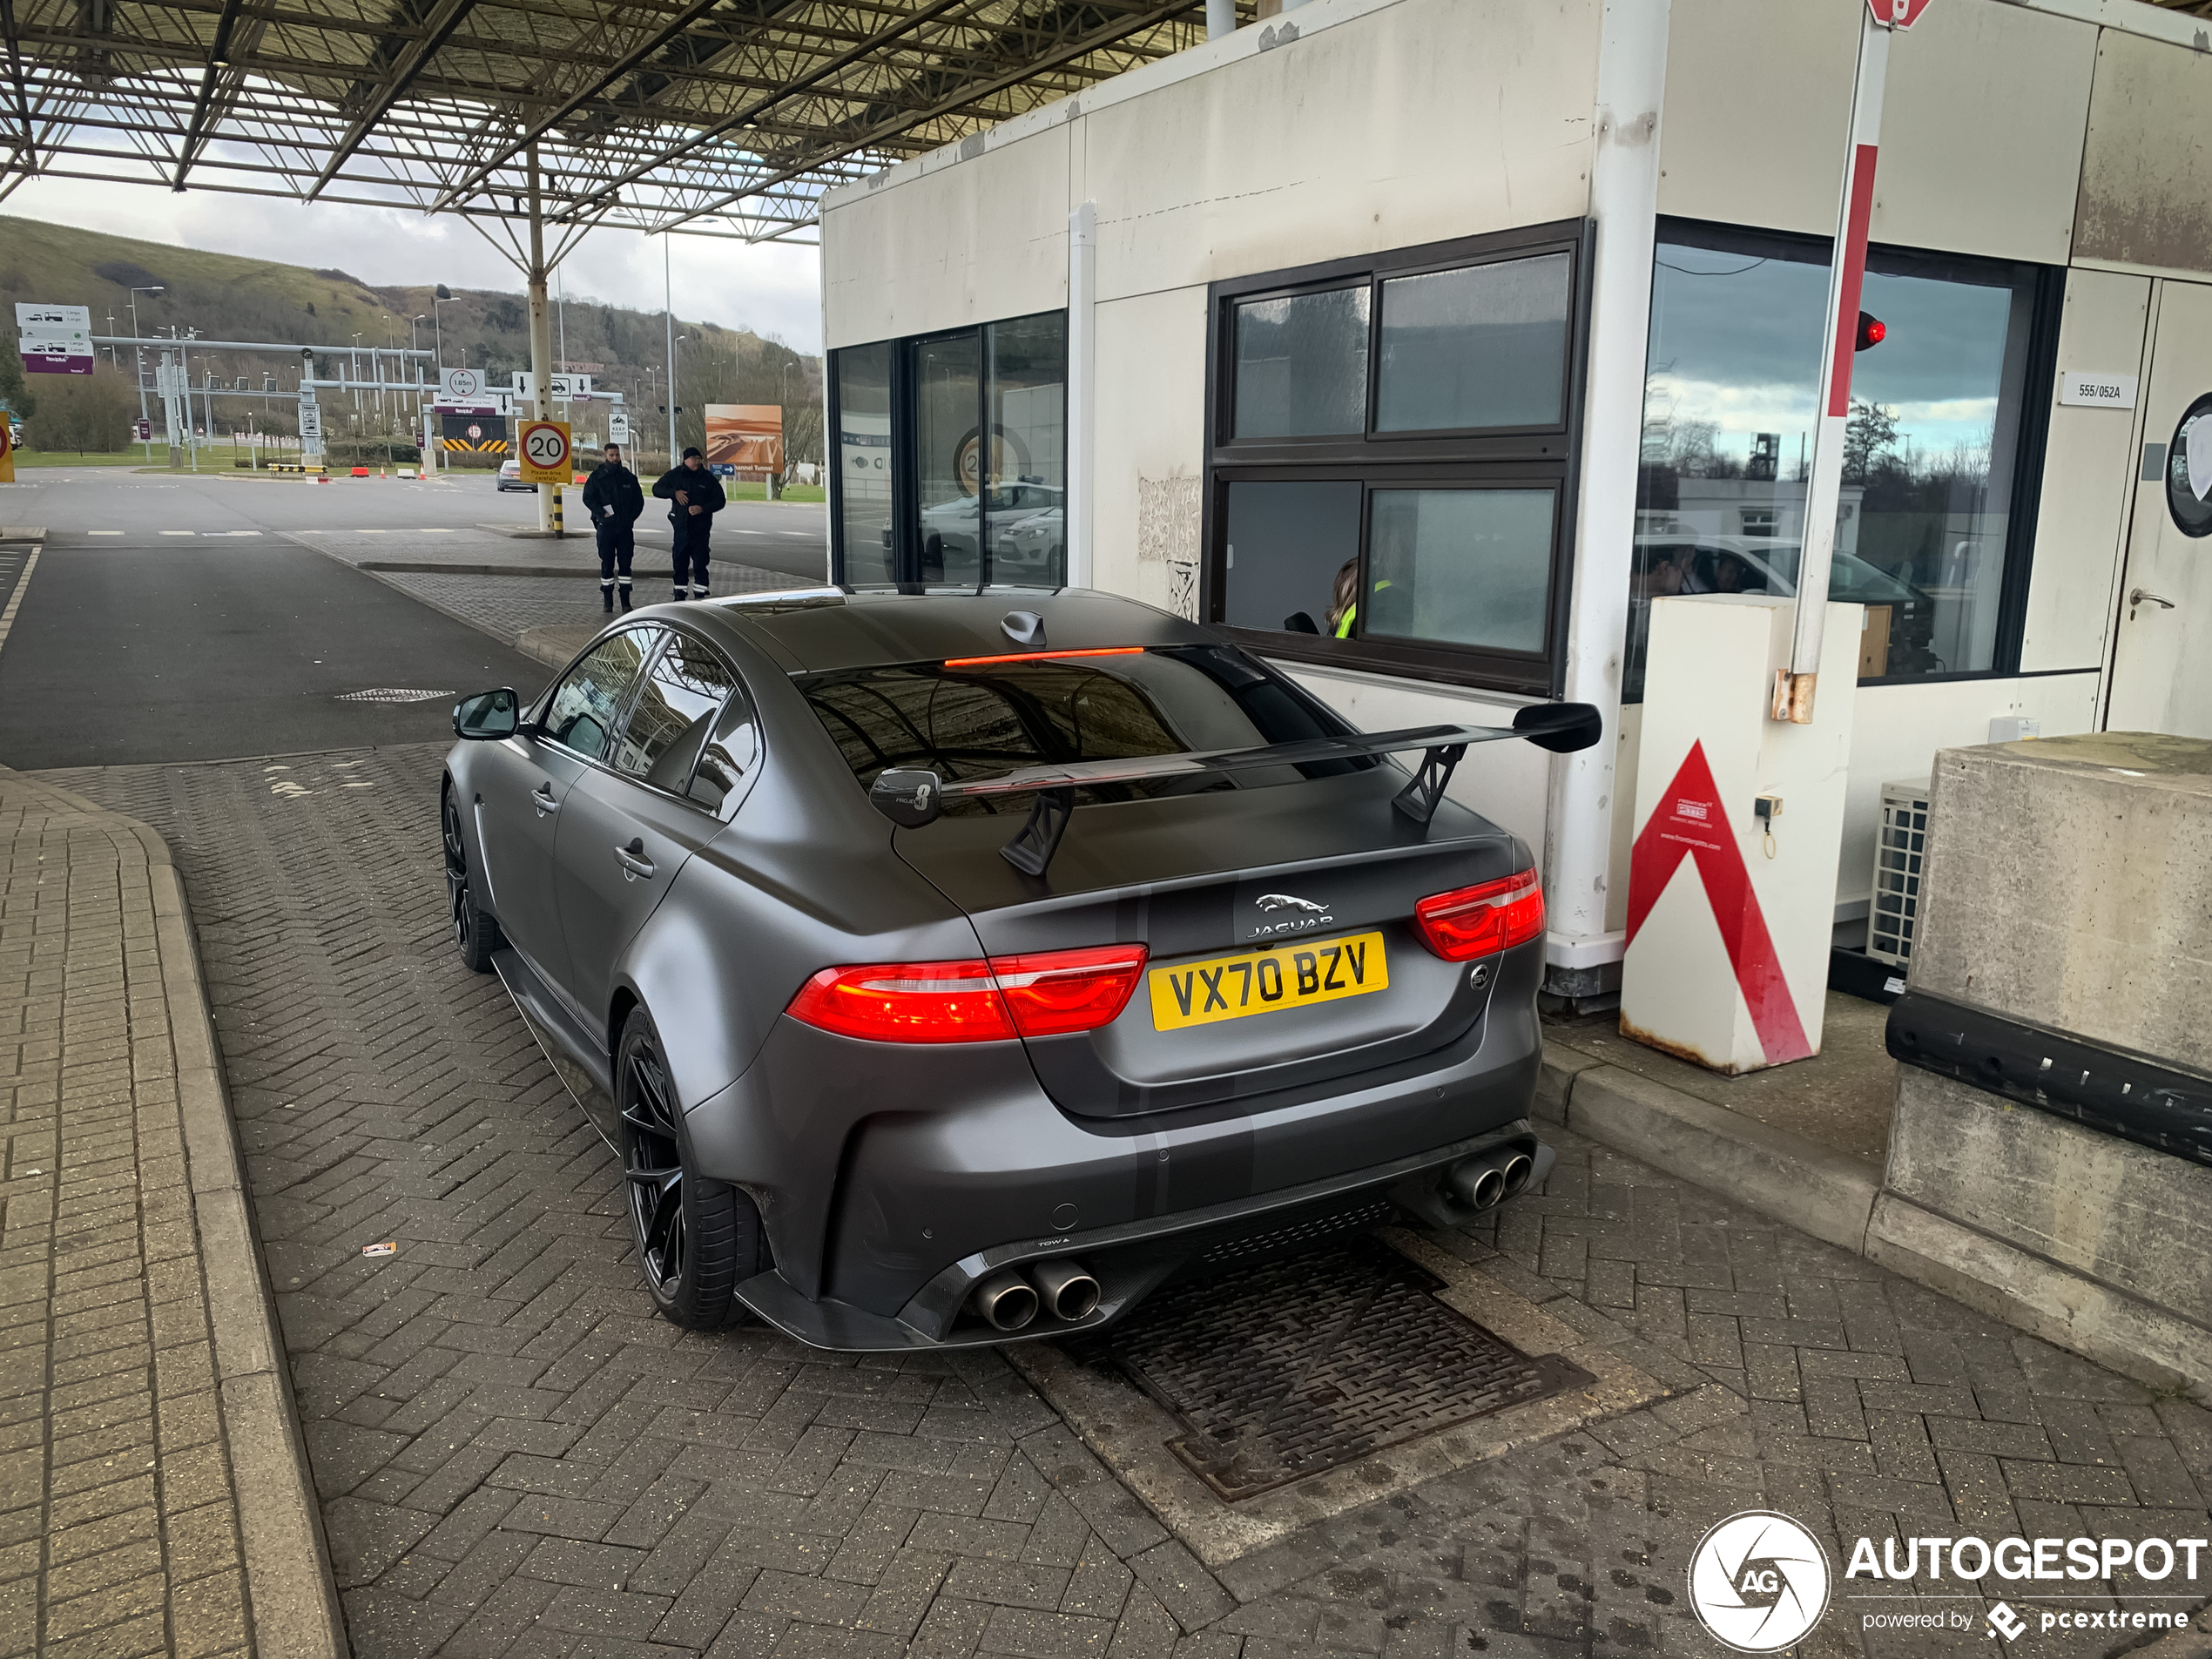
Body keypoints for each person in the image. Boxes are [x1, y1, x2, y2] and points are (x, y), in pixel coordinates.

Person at [652, 447, 727, 602]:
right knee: (680, 563)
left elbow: (720, 500)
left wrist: (703, 509)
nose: (697, 462)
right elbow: (656, 489)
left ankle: (700, 596)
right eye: (693, 458)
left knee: (700, 563)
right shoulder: (675, 475)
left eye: (699, 459)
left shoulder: (707, 478)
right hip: (681, 529)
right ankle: (679, 596)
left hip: (700, 530)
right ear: (685, 460)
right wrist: (674, 493)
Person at [581, 442, 644, 612]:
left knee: (625, 565)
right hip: (606, 528)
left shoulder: (628, 477)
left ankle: (626, 601)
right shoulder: (597, 477)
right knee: (607, 564)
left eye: (617, 455)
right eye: (612, 455)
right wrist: (602, 513)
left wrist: (630, 518)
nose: (615, 458)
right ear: (605, 456)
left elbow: (639, 501)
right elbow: (588, 498)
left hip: (624, 528)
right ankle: (607, 601)